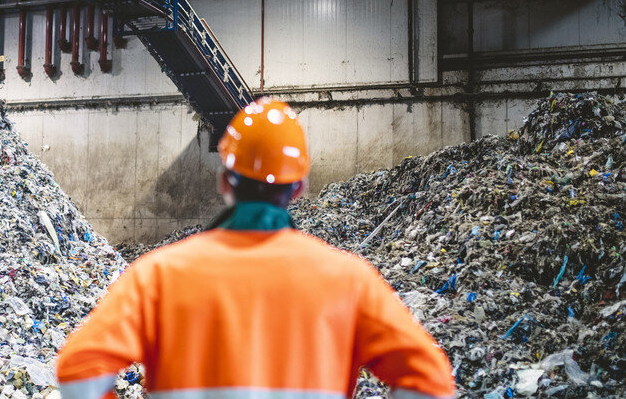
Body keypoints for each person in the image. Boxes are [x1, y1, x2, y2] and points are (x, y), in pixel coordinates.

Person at [56, 98, 456, 399]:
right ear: (298, 188)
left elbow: (79, 370)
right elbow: (430, 381)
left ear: (224, 181)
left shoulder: (157, 275)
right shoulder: (349, 279)